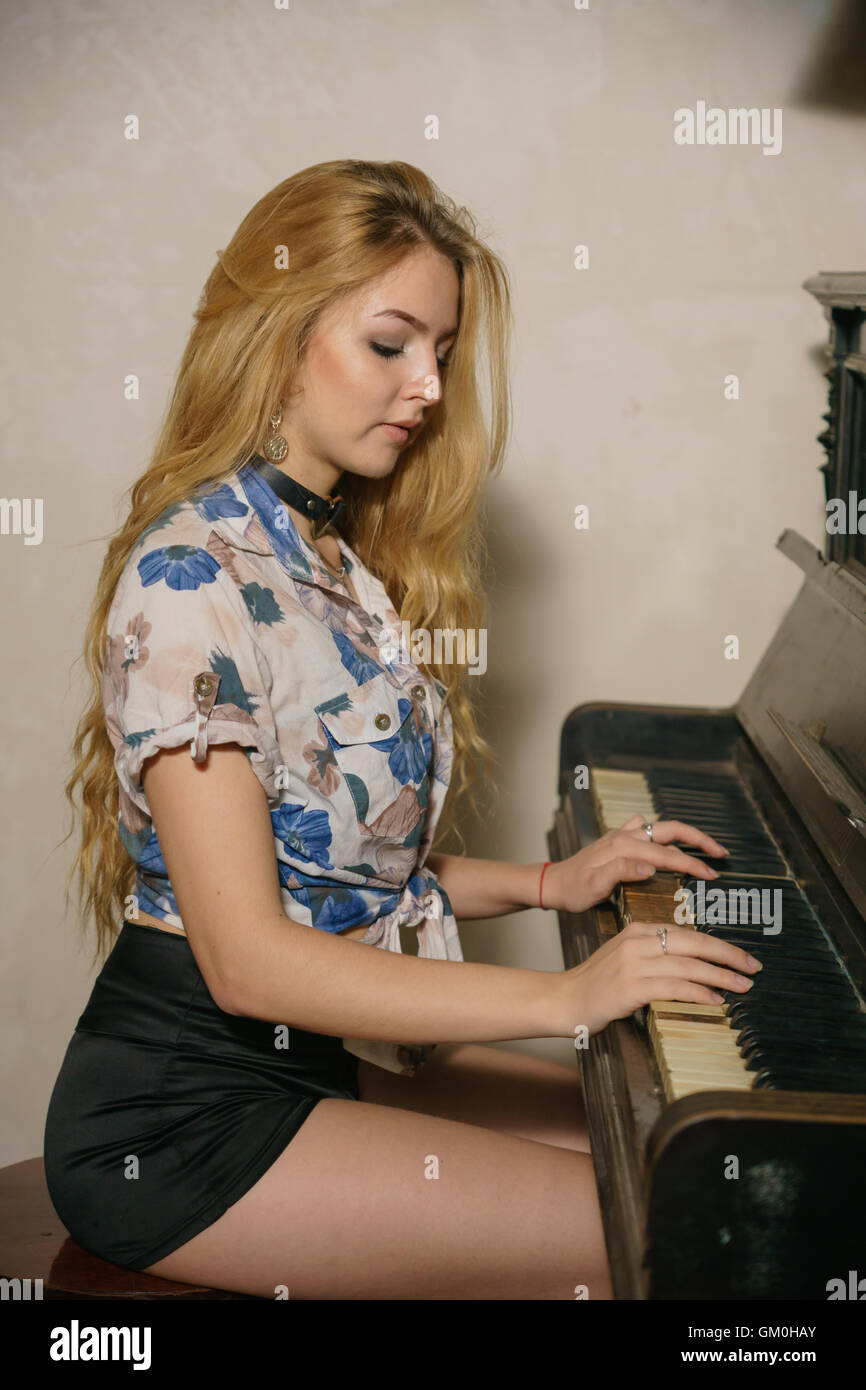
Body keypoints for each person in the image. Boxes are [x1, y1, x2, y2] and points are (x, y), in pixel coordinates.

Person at [45, 159, 760, 1301]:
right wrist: (560, 999)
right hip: (189, 1119)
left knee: (713, 1160)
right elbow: (247, 958)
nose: (427, 385)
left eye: (439, 349)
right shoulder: (189, 575)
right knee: (678, 1234)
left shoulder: (328, 557)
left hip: (327, 1058)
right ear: (279, 336)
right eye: (391, 344)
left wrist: (544, 882)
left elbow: (340, 872)